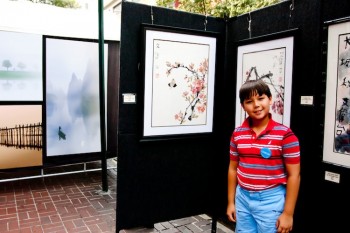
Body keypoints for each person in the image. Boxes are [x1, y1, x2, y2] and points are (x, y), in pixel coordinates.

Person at [226, 79, 300, 233]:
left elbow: (294, 175)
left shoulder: (285, 135)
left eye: (261, 98)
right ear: (243, 106)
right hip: (243, 198)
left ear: (270, 99)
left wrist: (288, 213)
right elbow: (233, 169)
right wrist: (230, 202)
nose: (257, 105)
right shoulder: (237, 134)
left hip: (271, 200)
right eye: (249, 101)